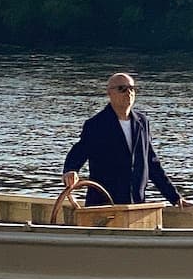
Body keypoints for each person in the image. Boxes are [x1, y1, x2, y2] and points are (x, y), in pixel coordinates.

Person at [62, 71, 185, 206]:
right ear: (109, 93)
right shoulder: (96, 124)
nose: (129, 92)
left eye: (132, 88)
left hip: (135, 203)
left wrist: (175, 198)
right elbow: (79, 151)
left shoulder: (142, 122)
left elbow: (151, 163)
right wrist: (70, 170)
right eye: (122, 89)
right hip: (104, 203)